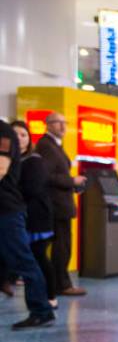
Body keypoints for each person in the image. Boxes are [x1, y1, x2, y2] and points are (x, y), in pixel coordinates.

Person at [0, 119, 55, 329]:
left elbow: (1, 169)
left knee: (23, 260)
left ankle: (42, 310)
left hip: (7, 210)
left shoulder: (3, 133)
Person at [35, 111, 86, 296]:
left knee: (62, 246)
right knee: (61, 247)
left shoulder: (55, 145)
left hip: (61, 204)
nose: (63, 127)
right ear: (48, 124)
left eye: (65, 122)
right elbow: (46, 176)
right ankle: (62, 284)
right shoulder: (46, 146)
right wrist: (71, 181)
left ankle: (59, 282)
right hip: (56, 206)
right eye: (58, 123)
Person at [11, 121, 56, 309]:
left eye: (24, 135)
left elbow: (33, 189)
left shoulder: (34, 160)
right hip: (21, 218)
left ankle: (50, 296)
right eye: (16, 134)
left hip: (37, 219)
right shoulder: (12, 161)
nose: (20, 139)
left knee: (39, 257)